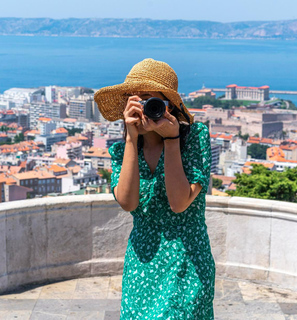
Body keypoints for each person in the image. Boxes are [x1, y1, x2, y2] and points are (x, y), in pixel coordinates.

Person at [94, 58, 215, 319]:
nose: (147, 109)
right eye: (138, 100)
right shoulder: (122, 151)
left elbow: (179, 203)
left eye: (153, 101)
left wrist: (171, 141)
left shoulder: (194, 138)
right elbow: (128, 203)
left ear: (169, 105)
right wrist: (130, 138)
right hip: (142, 263)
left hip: (187, 261)